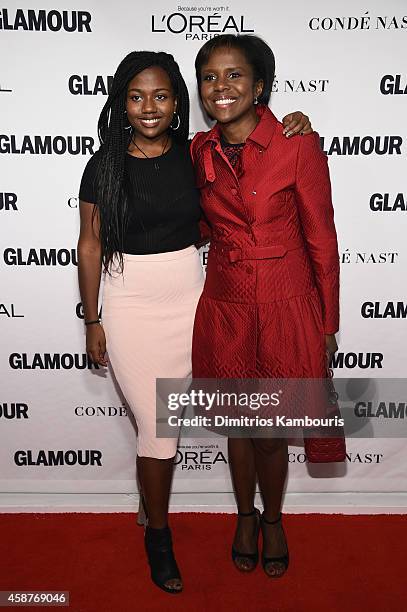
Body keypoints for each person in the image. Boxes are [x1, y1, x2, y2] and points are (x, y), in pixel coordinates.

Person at [77, 49, 313, 594]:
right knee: (159, 429)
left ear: (179, 103)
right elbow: (90, 248)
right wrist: (92, 319)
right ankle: (158, 536)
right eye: (136, 96)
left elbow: (252, 168)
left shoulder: (197, 154)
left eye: (161, 95)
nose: (148, 106)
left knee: (226, 415)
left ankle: (242, 515)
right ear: (121, 102)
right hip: (131, 303)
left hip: (194, 299)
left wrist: (297, 122)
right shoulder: (102, 164)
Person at [191, 35, 340, 579]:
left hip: (284, 303)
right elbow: (202, 222)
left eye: (234, 76)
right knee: (236, 423)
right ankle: (244, 515)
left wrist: (328, 321)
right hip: (226, 304)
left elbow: (322, 238)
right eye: (210, 76)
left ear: (259, 86)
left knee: (272, 429)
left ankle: (274, 518)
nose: (221, 87)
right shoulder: (198, 150)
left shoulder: (297, 145)